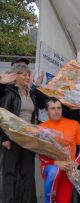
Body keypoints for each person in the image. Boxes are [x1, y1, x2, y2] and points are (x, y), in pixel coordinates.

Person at [0, 64, 38, 203]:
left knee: (27, 173)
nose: (27, 77)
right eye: (24, 75)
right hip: (13, 137)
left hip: (29, 138)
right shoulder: (10, 93)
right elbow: (2, 116)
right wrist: (4, 138)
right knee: (10, 172)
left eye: (28, 75)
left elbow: (35, 116)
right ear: (16, 77)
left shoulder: (32, 94)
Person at [38, 97, 80, 203]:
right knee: (54, 171)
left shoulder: (74, 124)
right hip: (50, 167)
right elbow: (40, 154)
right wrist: (56, 163)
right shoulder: (41, 127)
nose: (56, 111)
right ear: (46, 111)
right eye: (53, 108)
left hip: (68, 171)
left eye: (59, 108)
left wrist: (75, 163)